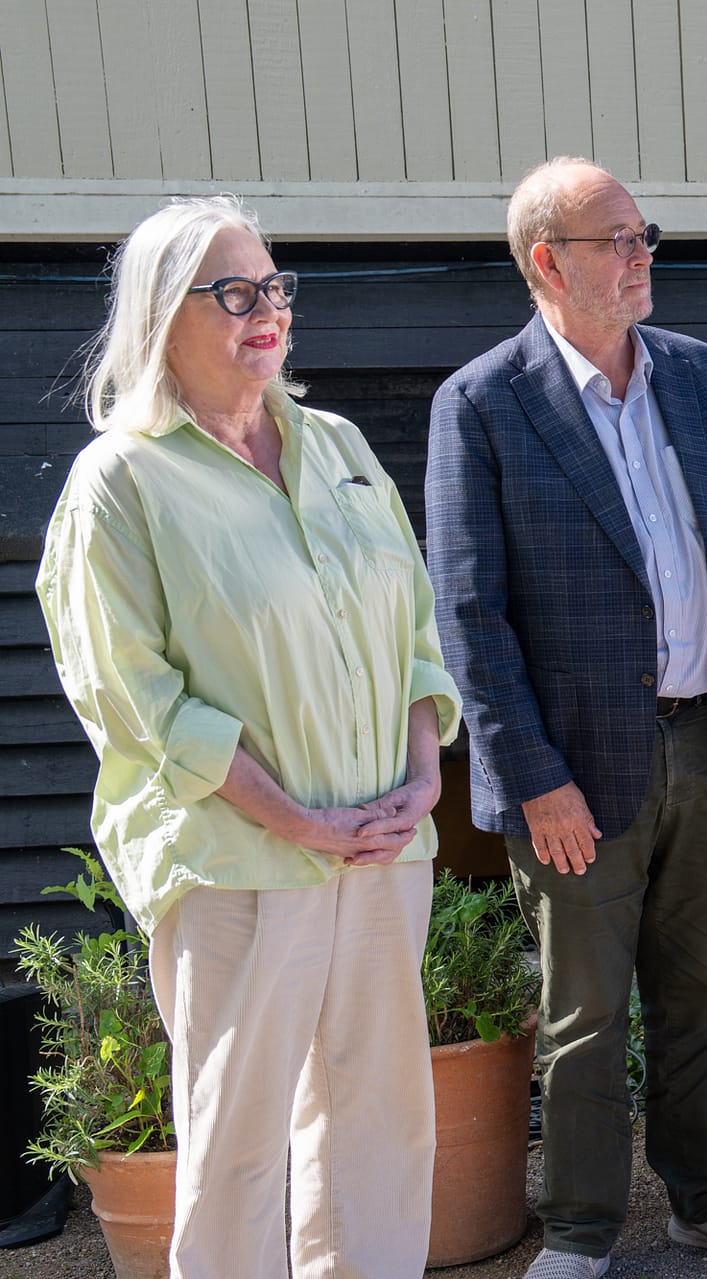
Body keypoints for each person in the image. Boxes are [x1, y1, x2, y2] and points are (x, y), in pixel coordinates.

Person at [36, 196, 460, 1277]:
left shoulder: (343, 447)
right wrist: (297, 819)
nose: (265, 310)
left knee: (380, 1126)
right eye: (232, 291)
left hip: (377, 848)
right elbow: (139, 702)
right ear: (159, 316)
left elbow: (415, 631)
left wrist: (420, 779)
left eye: (272, 286)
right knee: (235, 1147)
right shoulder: (120, 484)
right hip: (237, 862)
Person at [426, 158, 707, 1277]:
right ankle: (584, 1230)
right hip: (574, 766)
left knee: (699, 992)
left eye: (644, 235)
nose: (642, 256)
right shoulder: (483, 403)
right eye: (617, 239)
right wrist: (530, 775)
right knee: (585, 1014)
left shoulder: (700, 376)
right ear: (548, 261)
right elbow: (468, 612)